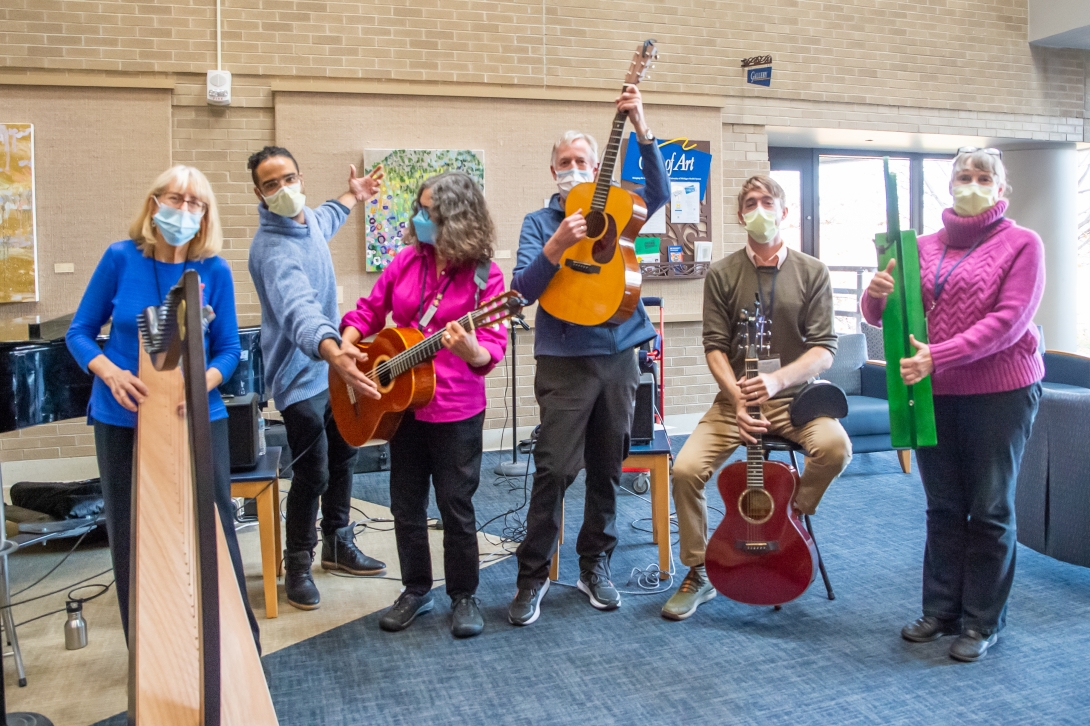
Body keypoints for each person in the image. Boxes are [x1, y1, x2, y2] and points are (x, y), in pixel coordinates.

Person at [863, 148, 1044, 662]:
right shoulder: (917, 246)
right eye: (963, 176)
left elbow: (1009, 321)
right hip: (934, 392)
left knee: (988, 509)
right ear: (950, 184)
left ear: (1000, 189)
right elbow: (883, 316)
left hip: (1000, 392)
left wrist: (937, 357)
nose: (971, 184)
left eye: (982, 177)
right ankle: (940, 610)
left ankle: (983, 621)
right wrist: (876, 295)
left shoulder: (1022, 244)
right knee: (943, 506)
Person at [66, 165, 259, 646]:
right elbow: (79, 333)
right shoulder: (119, 258)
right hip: (120, 418)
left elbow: (229, 350)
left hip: (197, 417)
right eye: (176, 199)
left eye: (196, 204)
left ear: (205, 215)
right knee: (131, 533)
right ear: (155, 204)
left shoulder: (213, 270)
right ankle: (147, 648)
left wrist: (198, 386)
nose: (185, 210)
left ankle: (236, 644)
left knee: (213, 528)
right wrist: (108, 371)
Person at [508, 85, 669, 626]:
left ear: (598, 166)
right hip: (563, 360)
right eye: (564, 163)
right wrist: (555, 247)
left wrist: (642, 127)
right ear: (552, 170)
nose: (572, 168)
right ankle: (532, 579)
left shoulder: (620, 209)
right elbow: (522, 292)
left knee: (607, 469)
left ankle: (593, 565)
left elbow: (661, 193)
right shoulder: (539, 223)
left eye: (582, 161)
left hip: (620, 356)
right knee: (553, 469)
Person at [661, 174, 851, 621]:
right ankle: (697, 571)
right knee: (685, 471)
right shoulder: (724, 273)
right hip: (735, 401)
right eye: (750, 202)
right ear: (740, 214)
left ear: (784, 212)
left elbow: (825, 350)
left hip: (796, 400)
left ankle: (791, 522)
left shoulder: (812, 272)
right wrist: (739, 400)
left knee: (836, 448)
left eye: (768, 201)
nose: (760, 209)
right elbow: (713, 346)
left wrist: (778, 381)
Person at [340, 171, 507, 638]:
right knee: (405, 504)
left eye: (427, 211)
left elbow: (491, 348)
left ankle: (464, 595)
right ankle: (416, 589)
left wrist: (469, 350)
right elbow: (369, 310)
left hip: (455, 408)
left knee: (456, 505)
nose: (418, 218)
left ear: (454, 217)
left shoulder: (484, 276)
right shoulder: (406, 261)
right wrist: (348, 347)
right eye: (419, 208)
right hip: (401, 408)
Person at [246, 145, 387, 611]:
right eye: (271, 184)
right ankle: (298, 562)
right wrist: (332, 349)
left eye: (288, 179)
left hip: (332, 369)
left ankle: (338, 545)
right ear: (259, 194)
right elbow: (298, 311)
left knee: (345, 455)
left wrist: (353, 196)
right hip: (299, 376)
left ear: (300, 178)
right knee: (314, 470)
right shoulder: (271, 251)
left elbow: (325, 218)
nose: (282, 189)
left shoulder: (306, 220)